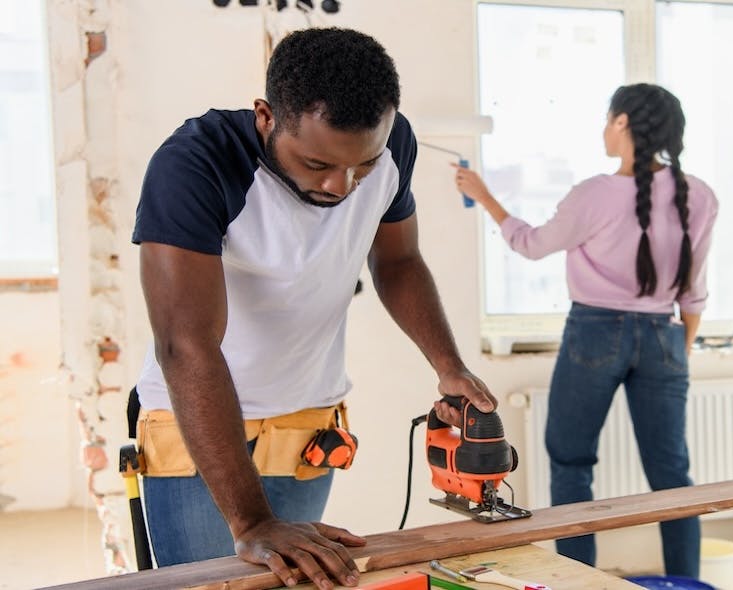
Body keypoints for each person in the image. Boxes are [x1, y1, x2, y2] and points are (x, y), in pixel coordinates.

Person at [130, 28, 495, 590]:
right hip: (197, 430)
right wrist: (251, 521)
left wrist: (448, 364)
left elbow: (398, 263)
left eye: (362, 166)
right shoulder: (196, 164)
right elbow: (186, 345)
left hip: (307, 421)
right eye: (317, 162)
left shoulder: (396, 145)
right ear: (266, 117)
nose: (341, 185)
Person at [453, 83, 718, 578]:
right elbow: (694, 291)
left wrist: (484, 196)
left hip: (594, 331)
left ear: (621, 124)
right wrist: (677, 353)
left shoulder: (594, 194)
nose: (603, 128)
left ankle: (580, 584)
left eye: (607, 118)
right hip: (665, 336)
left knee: (571, 463)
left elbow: (531, 245)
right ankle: (688, 583)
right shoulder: (699, 196)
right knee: (674, 479)